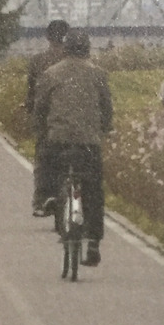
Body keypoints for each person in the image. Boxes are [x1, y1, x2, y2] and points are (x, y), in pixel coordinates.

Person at [33, 29, 113, 265]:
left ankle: (48, 197)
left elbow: (40, 108)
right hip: (89, 143)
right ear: (87, 49)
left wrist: (41, 130)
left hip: (58, 140)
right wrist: (104, 129)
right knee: (94, 191)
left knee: (46, 164)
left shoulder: (50, 74)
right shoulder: (98, 74)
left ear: (65, 49)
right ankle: (94, 243)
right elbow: (106, 107)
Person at [25, 19, 71, 215]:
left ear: (48, 37)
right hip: (74, 120)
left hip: (48, 122)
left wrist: (30, 108)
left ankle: (41, 200)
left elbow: (32, 94)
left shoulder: (38, 61)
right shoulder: (77, 61)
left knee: (44, 159)